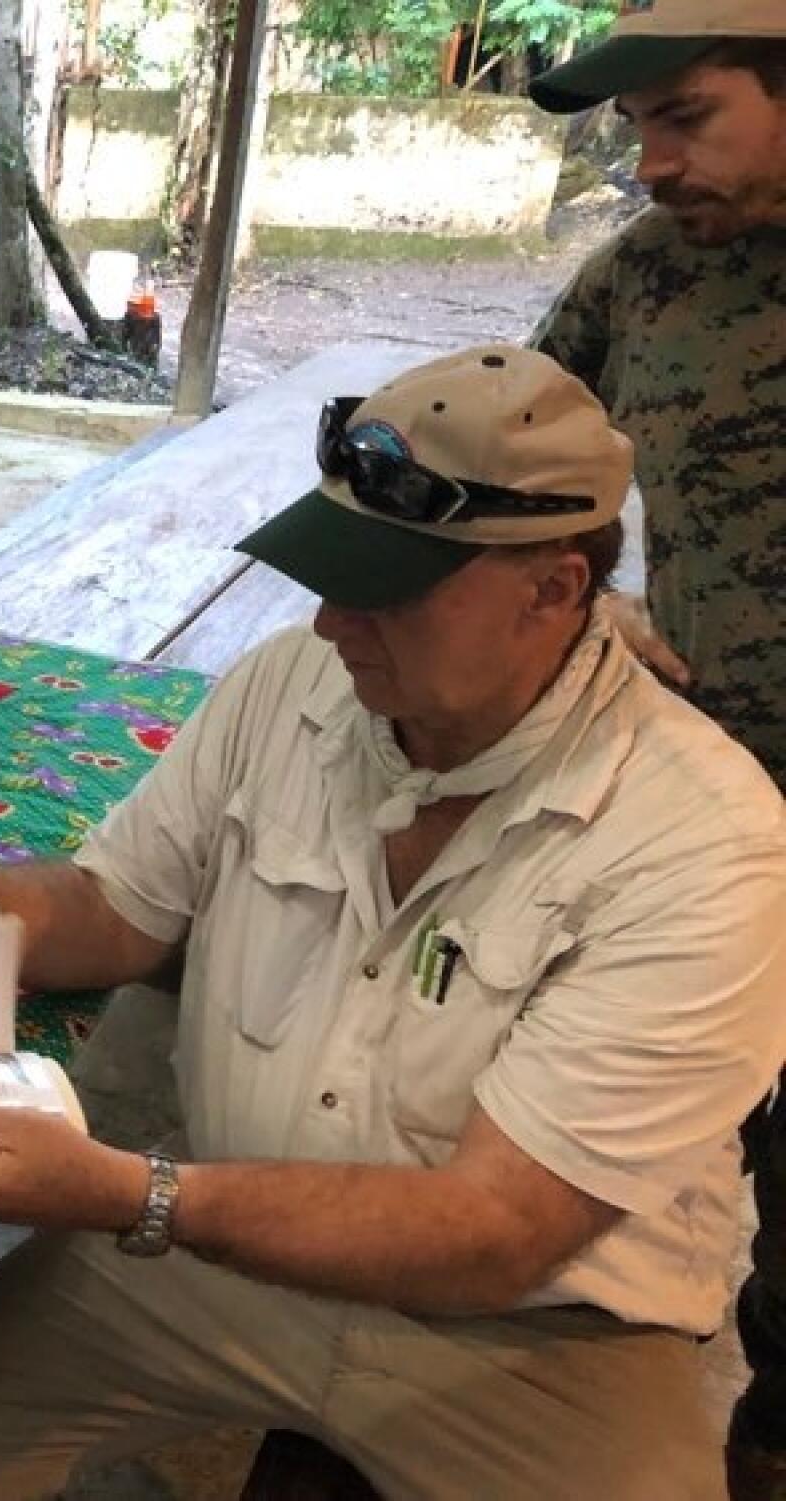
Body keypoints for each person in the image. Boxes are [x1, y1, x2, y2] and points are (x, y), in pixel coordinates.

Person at [0, 348, 786, 1500]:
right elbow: (115, 907)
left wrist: (133, 1195)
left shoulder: (703, 839)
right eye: (324, 571)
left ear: (553, 591)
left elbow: (497, 1229)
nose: (328, 618)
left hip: (537, 1327)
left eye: (380, 587)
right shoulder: (289, 684)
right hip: (245, 1242)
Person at [527, 8, 786, 1489]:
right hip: (714, 800)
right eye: (641, 133)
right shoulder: (652, 271)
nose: (658, 162)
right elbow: (511, 445)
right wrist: (598, 592)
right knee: (671, 1128)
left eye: (689, 115)